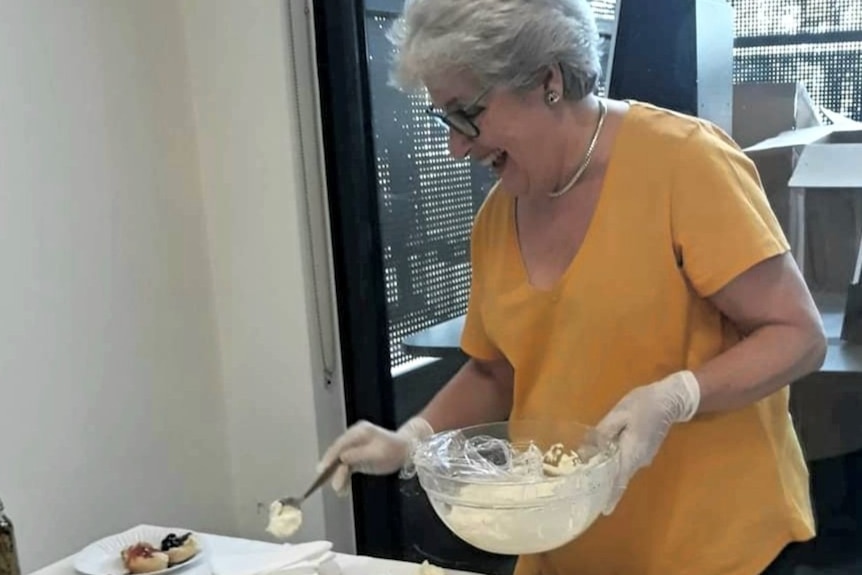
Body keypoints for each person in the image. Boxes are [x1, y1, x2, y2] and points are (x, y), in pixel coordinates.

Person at [317, 0, 828, 573]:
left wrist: (677, 395)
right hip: (565, 547)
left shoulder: (683, 165)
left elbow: (797, 335)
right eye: (445, 119)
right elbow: (496, 369)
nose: (456, 146)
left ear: (549, 81)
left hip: (712, 552)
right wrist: (412, 438)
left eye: (466, 114)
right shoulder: (496, 218)